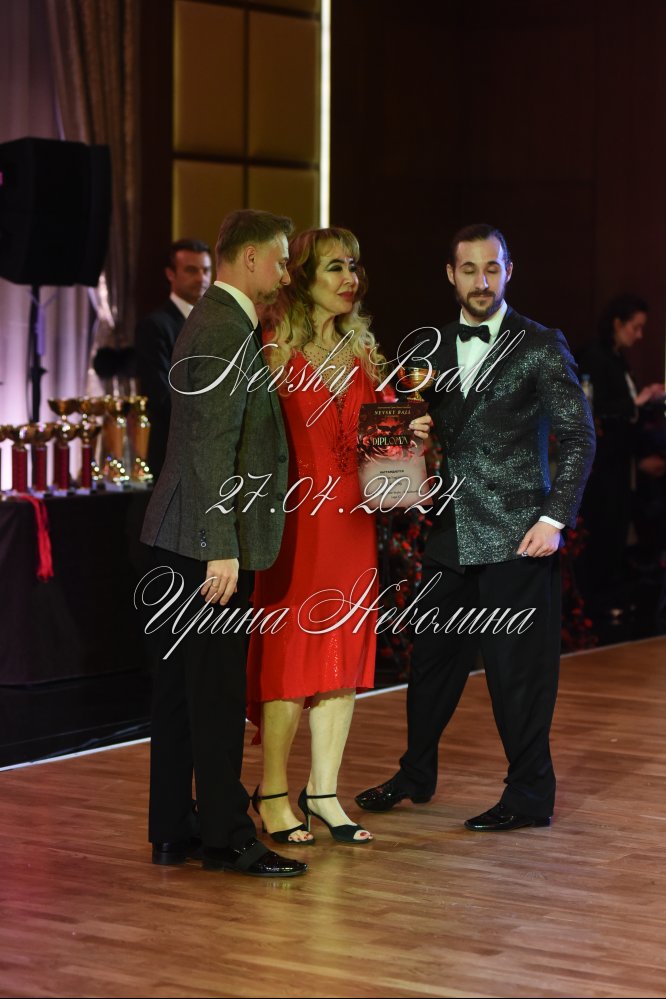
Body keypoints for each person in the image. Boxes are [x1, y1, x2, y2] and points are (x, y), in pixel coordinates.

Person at [356, 223, 596, 831]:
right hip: (451, 532)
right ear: (451, 274)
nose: (481, 281)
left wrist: (554, 518)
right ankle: (416, 773)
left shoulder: (540, 343)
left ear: (508, 271)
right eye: (469, 269)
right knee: (431, 663)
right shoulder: (430, 348)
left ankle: (530, 795)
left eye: (492, 268)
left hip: (519, 536)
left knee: (518, 674)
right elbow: (404, 429)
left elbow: (579, 436)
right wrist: (408, 437)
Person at [245, 227, 431, 845]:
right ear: (302, 277)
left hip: (352, 524)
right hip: (295, 527)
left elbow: (385, 450)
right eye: (334, 267)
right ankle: (273, 792)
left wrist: (413, 435)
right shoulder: (270, 349)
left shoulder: (365, 355)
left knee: (341, 658)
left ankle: (322, 791)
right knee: (290, 658)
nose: (350, 278)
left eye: (354, 266)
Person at [139, 209, 307, 877]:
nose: (286, 272)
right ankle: (227, 838)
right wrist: (221, 546)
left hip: (180, 536)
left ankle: (172, 829)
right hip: (201, 543)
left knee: (181, 695)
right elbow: (212, 447)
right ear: (251, 259)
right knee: (211, 695)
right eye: (281, 259)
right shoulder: (222, 328)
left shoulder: (217, 320)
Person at [577, 294, 664, 612]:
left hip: (621, 459)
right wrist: (637, 401)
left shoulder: (618, 358)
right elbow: (591, 407)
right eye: (635, 327)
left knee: (618, 528)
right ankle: (596, 603)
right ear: (618, 323)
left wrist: (648, 398)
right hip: (603, 462)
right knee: (603, 528)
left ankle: (611, 596)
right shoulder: (594, 356)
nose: (639, 335)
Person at [135, 238, 212, 477]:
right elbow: (161, 394)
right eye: (191, 270)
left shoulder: (217, 323)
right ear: (171, 274)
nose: (201, 278)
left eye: (206, 270)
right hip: (173, 453)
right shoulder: (155, 326)